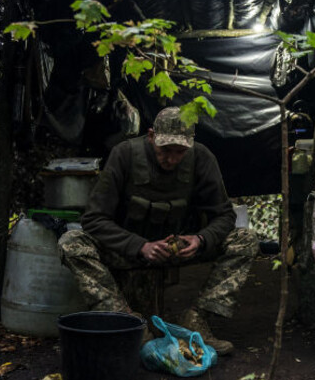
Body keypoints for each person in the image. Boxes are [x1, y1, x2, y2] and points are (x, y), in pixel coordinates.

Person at [58, 107, 257, 355]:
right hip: (130, 248)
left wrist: (201, 239)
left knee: (245, 239)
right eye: (165, 151)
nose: (172, 159)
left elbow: (225, 214)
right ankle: (128, 324)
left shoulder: (201, 158)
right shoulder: (125, 155)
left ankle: (198, 320)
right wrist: (140, 246)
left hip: (180, 248)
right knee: (72, 242)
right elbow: (94, 219)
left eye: (179, 152)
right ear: (151, 136)